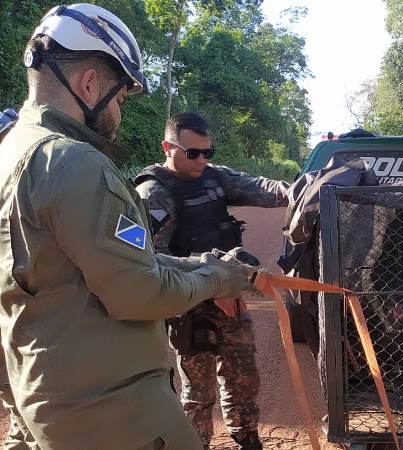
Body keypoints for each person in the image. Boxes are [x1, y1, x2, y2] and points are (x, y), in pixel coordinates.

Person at [0, 4, 257, 450]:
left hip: (40, 392)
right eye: (120, 98)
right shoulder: (74, 163)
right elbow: (138, 292)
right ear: (88, 84)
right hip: (110, 409)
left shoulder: (12, 152)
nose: (118, 113)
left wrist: (197, 263)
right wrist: (218, 279)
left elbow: (84, 265)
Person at [134, 112, 289, 450]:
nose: (202, 159)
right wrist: (210, 283)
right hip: (187, 304)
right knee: (198, 394)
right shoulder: (153, 193)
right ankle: (197, 443)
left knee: (244, 378)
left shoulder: (213, 177)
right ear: (168, 147)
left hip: (229, 299)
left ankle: (246, 437)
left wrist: (300, 191)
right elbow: (153, 261)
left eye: (208, 152)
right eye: (193, 153)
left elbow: (263, 188)